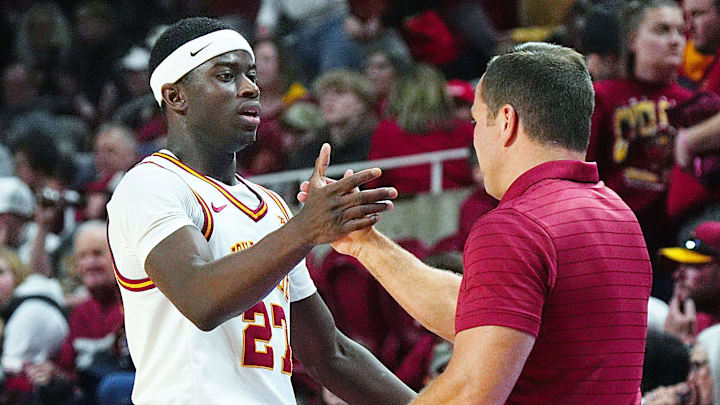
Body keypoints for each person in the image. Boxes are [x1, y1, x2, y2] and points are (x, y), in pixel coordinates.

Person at [300, 42, 653, 403]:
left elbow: (470, 392)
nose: (474, 135)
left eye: (475, 119)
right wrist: (365, 244)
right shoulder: (619, 215)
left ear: (505, 121)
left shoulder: (516, 226)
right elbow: (487, 315)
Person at [106, 17, 412, 405]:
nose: (251, 86)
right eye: (226, 75)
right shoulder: (150, 184)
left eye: (251, 74)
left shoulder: (270, 207)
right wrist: (305, 229)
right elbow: (200, 300)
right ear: (176, 96)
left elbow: (329, 354)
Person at [658, 221, 720, 344]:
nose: (677, 275)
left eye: (693, 265)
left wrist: (675, 344)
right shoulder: (690, 319)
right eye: (680, 264)